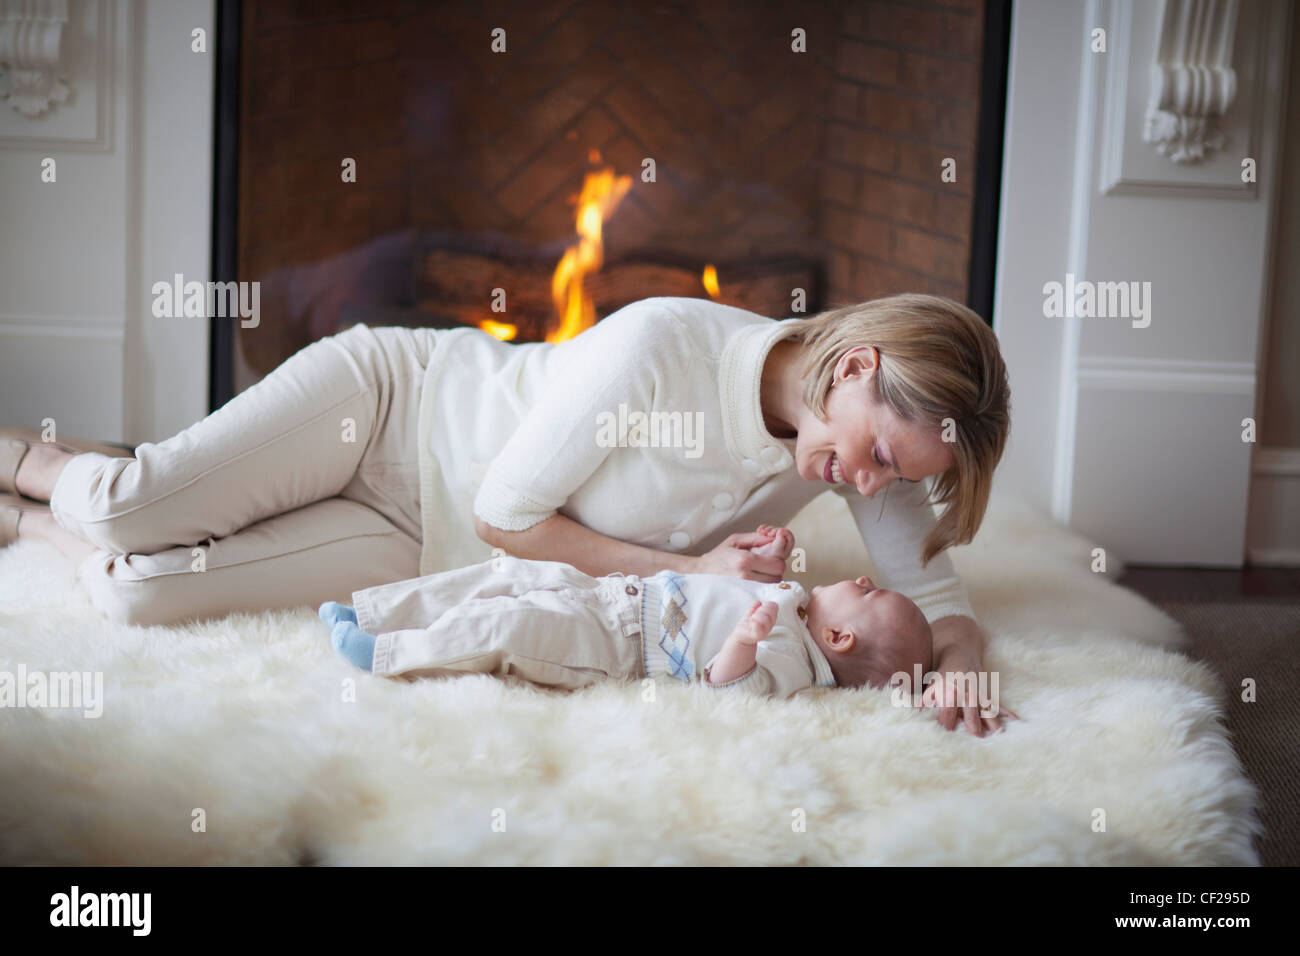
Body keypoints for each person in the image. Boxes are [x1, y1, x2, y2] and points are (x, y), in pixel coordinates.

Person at [0, 293, 1010, 733]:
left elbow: (936, 598)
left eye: (895, 474)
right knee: (134, 509)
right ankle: (40, 460)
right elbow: (503, 511)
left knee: (139, 596)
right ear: (857, 365)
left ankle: (35, 521)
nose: (870, 483)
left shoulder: (859, 452)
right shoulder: (667, 344)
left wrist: (954, 669)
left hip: (420, 541)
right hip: (396, 407)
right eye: (878, 452)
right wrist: (693, 569)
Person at [320, 525, 933, 701]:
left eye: (871, 591)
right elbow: (731, 581)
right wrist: (770, 551)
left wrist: (744, 641)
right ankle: (374, 610)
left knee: (510, 625)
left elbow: (733, 688)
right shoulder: (795, 605)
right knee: (503, 573)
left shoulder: (794, 658)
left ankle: (387, 653)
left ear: (840, 637)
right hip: (615, 592)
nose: (861, 577)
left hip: (617, 647)